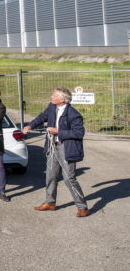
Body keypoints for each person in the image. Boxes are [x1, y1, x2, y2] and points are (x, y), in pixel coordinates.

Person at [23, 88, 88, 217]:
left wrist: (58, 132)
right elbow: (42, 117)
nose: (51, 96)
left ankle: (82, 207)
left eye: (54, 95)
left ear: (62, 99)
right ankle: (50, 202)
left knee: (69, 178)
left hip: (66, 148)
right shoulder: (52, 107)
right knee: (50, 176)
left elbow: (79, 133)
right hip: (52, 146)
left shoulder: (73, 114)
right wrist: (30, 126)